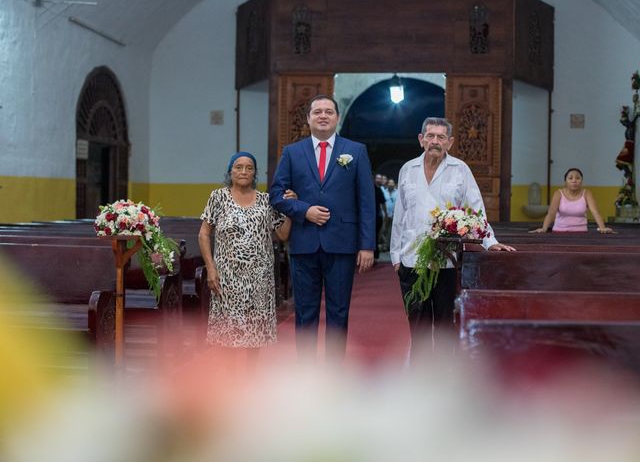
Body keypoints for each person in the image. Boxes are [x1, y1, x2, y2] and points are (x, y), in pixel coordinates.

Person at [390, 117, 515, 364]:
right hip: (411, 259)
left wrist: (491, 242)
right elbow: (400, 216)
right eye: (430, 136)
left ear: (450, 142)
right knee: (417, 324)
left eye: (440, 137)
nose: (435, 141)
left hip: (446, 262)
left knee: (446, 324)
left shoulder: (460, 170)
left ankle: (445, 377)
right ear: (421, 139)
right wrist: (395, 257)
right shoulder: (408, 169)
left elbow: (476, 211)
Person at [269, 94, 376, 362]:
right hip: (304, 242)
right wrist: (304, 210)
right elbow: (277, 195)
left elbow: (366, 202)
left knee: (339, 311)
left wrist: (367, 245)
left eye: (329, 111)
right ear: (308, 119)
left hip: (342, 243)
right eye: (317, 112)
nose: (323, 115)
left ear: (337, 118)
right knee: (305, 311)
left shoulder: (356, 151)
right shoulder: (292, 152)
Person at [198, 151, 295, 370]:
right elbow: (204, 234)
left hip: (259, 277)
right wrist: (210, 268)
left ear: (255, 173)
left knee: (255, 330)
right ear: (230, 171)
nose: (244, 171)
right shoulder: (218, 197)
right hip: (227, 276)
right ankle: (230, 379)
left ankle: (250, 376)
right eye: (239, 167)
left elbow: (283, 235)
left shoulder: (266, 200)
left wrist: (291, 209)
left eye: (249, 168)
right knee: (228, 330)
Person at [530, 167, 614, 233]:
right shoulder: (558, 193)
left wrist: (602, 228)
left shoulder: (587, 193)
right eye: (570, 178)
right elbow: (551, 213)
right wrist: (544, 228)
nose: (574, 180)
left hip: (581, 233)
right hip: (559, 232)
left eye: (578, 178)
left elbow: (596, 212)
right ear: (565, 182)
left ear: (582, 181)